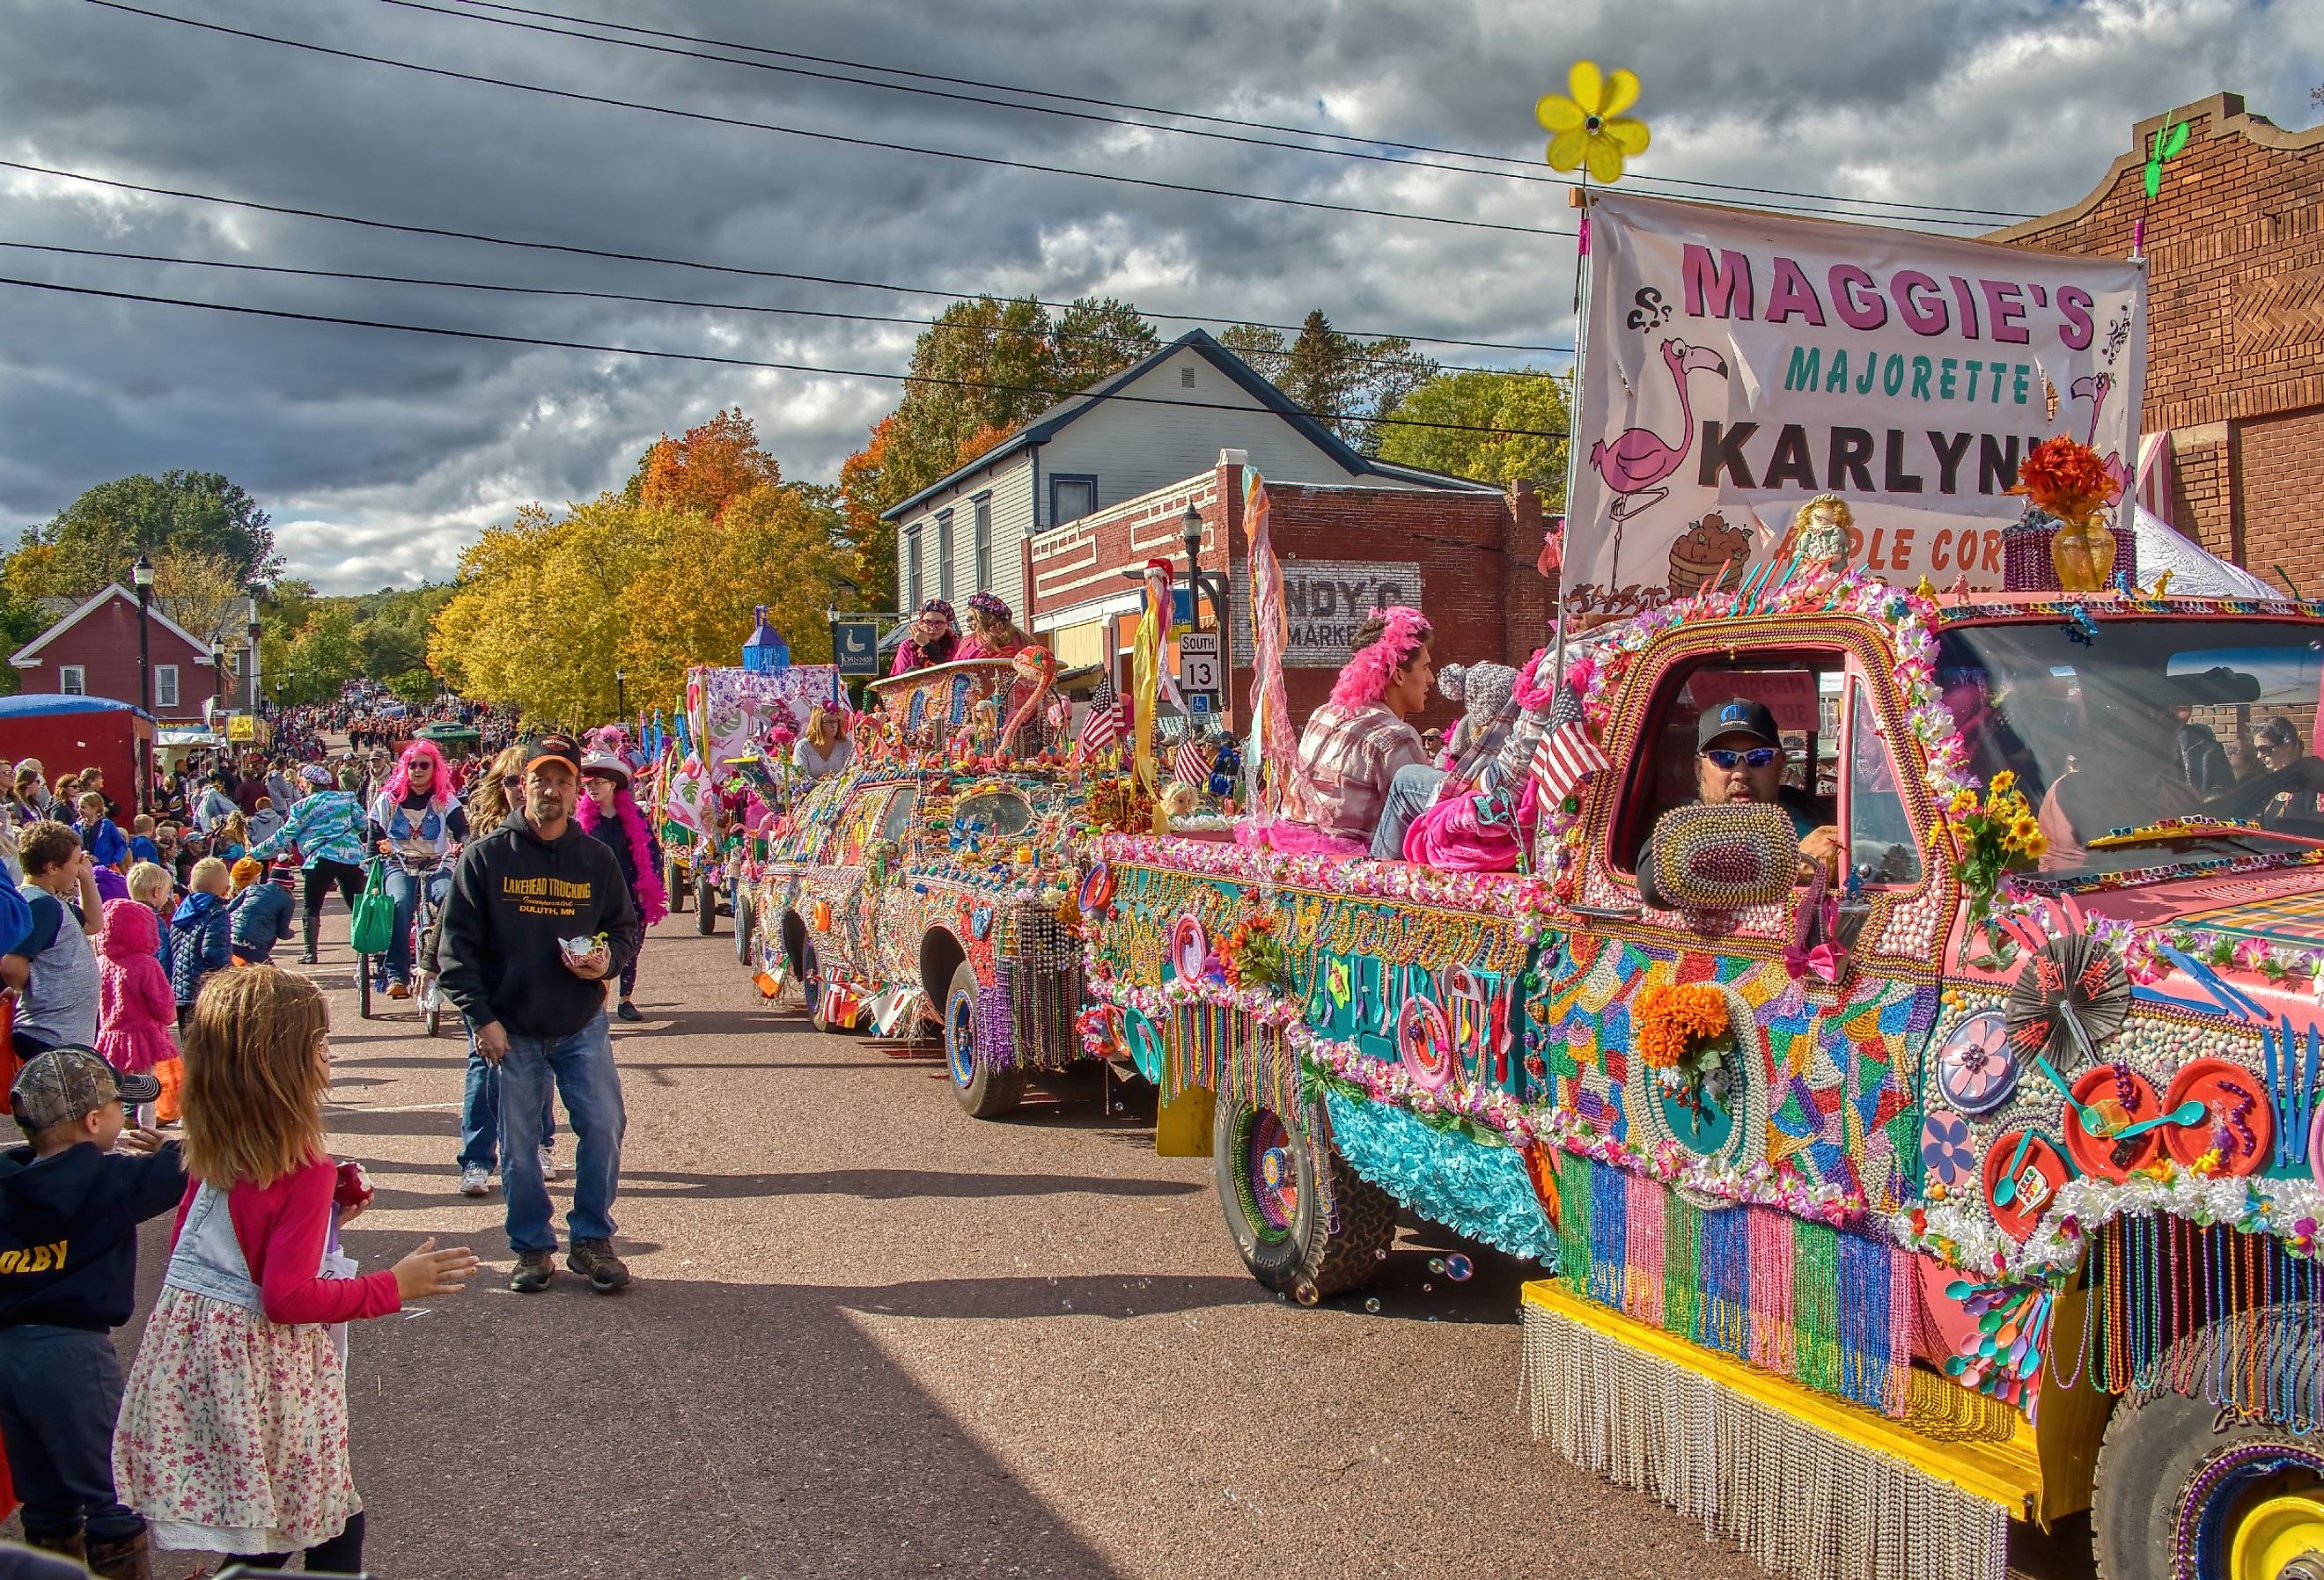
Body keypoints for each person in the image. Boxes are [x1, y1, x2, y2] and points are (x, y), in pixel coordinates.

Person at [112, 967, 478, 1574]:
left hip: (209, 1370)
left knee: (281, 1519)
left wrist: (326, 1226)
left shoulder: (210, 1150)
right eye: (319, 1041)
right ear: (284, 1061)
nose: (329, 1052)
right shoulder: (305, 1168)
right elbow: (285, 1295)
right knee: (327, 1517)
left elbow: (214, 1252)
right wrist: (393, 1285)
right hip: (271, 1378)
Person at [436, 733, 639, 1295]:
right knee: (520, 1143)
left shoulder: (594, 860)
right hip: (513, 1027)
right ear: (522, 787)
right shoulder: (485, 858)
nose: (552, 790)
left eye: (563, 781)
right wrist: (482, 1019)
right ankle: (531, 1247)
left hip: (580, 1024)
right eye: (541, 780)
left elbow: (623, 928)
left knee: (603, 1125)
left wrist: (605, 962)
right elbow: (455, 951)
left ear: (578, 791)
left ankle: (591, 1240)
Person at [0, 1047, 180, 1579]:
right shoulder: (111, 1181)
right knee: (113, 1493)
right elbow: (190, 1166)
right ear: (93, 1120)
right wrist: (163, 1148)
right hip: (74, 1354)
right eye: (118, 1108)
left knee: (45, 1499)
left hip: (8, 1353)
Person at [443, 748, 557, 1197]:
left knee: (542, 1063)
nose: (517, 789)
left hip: (541, 976)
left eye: (521, 779)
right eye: (509, 782)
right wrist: (435, 966)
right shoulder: (481, 842)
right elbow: (456, 915)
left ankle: (542, 1143)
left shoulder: (558, 835)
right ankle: (476, 1157)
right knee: (483, 1065)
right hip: (490, 978)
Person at [1637, 699, 1842, 907]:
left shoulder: (1811, 810)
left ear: (1780, 764)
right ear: (1699, 768)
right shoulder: (1682, 827)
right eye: (1723, 758)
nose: (1741, 773)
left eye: (1758, 757)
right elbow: (1654, 884)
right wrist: (1791, 866)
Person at [1274, 607, 1436, 855]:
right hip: (1354, 874)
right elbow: (1426, 824)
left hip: (1292, 855)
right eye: (1425, 667)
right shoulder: (1395, 737)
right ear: (1399, 675)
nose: (1431, 679)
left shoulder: (1323, 713)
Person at [1369, 660, 1518, 860]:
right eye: (1425, 667)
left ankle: (1380, 873)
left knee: (1406, 779)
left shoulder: (1509, 748)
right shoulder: (1450, 754)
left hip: (1487, 824)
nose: (1430, 678)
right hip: (1473, 823)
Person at [364, 741, 466, 1001]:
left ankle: (448, 964)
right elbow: (374, 835)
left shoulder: (444, 799)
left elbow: (462, 829)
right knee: (400, 904)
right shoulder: (389, 799)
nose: (418, 770)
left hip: (438, 863)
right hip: (399, 863)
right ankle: (397, 974)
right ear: (404, 767)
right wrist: (371, 872)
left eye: (424, 765)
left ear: (435, 768)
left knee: (448, 899)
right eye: (412, 765)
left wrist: (469, 843)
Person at [577, 753, 666, 1025]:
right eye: (588, 784)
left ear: (613, 785)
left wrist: (648, 886)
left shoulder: (634, 815)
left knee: (631, 948)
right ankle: (597, 1004)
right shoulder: (582, 821)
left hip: (630, 892)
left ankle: (625, 1000)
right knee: (595, 947)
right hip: (597, 895)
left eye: (598, 783)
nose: (591, 789)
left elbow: (651, 853)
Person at [250, 767, 366, 966]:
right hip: (350, 857)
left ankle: (310, 953)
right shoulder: (347, 799)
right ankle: (367, 947)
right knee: (357, 904)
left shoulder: (302, 806)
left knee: (312, 906)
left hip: (320, 859)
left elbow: (285, 835)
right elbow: (363, 824)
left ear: (310, 784)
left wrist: (255, 853)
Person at [4, 827, 101, 1063]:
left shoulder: (49, 902)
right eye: (76, 862)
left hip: (60, 1035)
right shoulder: (42, 906)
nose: (79, 868)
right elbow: (12, 966)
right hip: (51, 1034)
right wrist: (35, 991)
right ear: (52, 868)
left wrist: (87, 878)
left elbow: (93, 922)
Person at [93, 899, 177, 1124]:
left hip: (111, 1034)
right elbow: (163, 1004)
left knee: (112, 1090)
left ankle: (108, 1131)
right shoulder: (146, 965)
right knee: (147, 1091)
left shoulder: (102, 962)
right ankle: (146, 1132)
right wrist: (170, 1017)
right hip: (143, 1036)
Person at [166, 860, 233, 1031]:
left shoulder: (180, 913)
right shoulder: (217, 913)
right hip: (205, 992)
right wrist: (232, 974)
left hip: (180, 992)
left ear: (189, 888)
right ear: (226, 890)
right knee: (210, 1046)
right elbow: (213, 953)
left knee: (189, 1046)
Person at [227, 858, 294, 967]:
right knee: (272, 976)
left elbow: (229, 910)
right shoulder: (288, 900)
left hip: (228, 936)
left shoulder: (251, 889)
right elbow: (282, 932)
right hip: (250, 945)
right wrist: (290, 933)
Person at [890, 598, 960, 675]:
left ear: (947, 625)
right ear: (920, 623)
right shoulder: (908, 646)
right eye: (927, 622)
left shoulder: (956, 645)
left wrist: (927, 646)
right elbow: (898, 679)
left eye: (939, 623)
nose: (932, 628)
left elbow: (954, 672)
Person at [955, 592, 1028, 660]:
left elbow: (957, 666)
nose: (968, 625)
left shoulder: (972, 643)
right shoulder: (1024, 640)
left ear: (984, 618)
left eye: (971, 619)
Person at [792, 702, 853, 781]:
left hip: (842, 790)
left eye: (835, 721)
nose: (833, 725)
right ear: (817, 724)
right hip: (810, 791)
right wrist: (823, 785)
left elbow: (851, 773)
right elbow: (800, 778)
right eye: (828, 722)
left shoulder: (846, 745)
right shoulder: (802, 747)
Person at [72, 795, 128, 875]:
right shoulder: (76, 827)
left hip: (106, 870)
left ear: (94, 809)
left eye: (83, 807)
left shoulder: (107, 825)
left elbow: (120, 844)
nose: (79, 810)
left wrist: (114, 861)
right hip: (85, 870)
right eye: (78, 807)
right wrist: (81, 855)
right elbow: (72, 848)